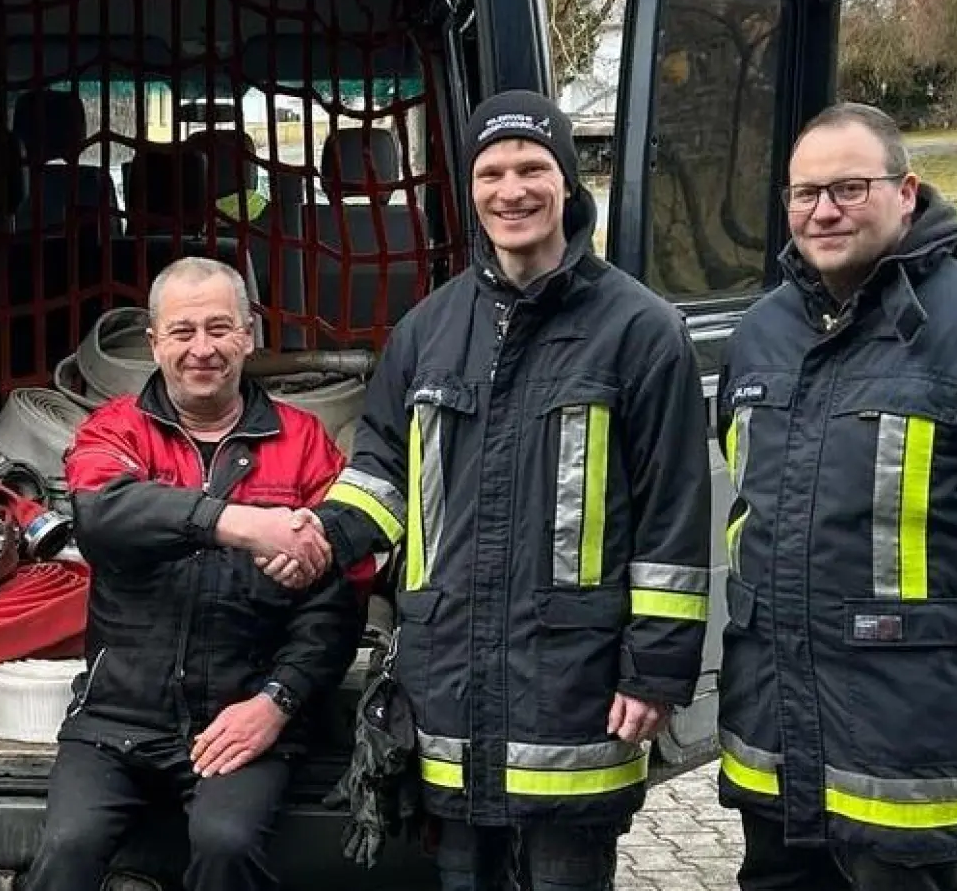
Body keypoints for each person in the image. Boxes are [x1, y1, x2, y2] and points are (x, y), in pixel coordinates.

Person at [269, 89, 715, 889]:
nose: (512, 190)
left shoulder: (642, 331)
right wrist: (323, 536)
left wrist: (655, 671)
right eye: (491, 171)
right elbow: (381, 469)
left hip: (573, 679)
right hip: (450, 676)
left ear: (568, 185)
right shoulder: (427, 330)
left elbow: (673, 519)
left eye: (533, 168)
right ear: (470, 191)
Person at [713, 101, 957, 891]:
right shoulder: (761, 333)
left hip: (907, 756)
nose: (823, 211)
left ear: (908, 191)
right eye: (804, 193)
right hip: (774, 744)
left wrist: (937, 640)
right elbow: (748, 511)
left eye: (849, 188)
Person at [20, 256, 370, 891]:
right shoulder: (116, 428)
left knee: (225, 844)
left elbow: (338, 602)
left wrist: (277, 702)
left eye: (219, 328)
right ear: (154, 342)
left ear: (250, 335)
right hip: (115, 720)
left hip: (243, 714)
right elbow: (102, 517)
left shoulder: (306, 443)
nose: (201, 349)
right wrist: (242, 524)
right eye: (182, 332)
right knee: (66, 850)